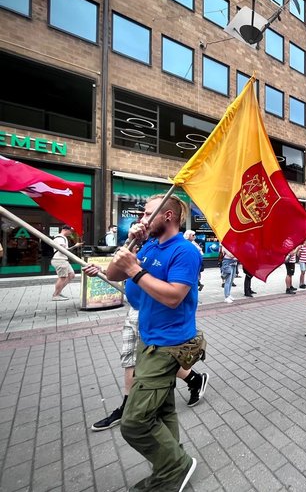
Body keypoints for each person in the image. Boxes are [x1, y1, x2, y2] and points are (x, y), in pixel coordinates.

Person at [103, 193, 201, 491]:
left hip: (169, 344)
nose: (141, 220)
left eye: (147, 214)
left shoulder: (185, 251)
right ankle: (172, 464)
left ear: (167, 216)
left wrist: (136, 269)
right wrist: (131, 245)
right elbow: (111, 273)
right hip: (149, 339)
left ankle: (176, 467)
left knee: (133, 422)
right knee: (162, 410)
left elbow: (173, 297)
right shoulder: (146, 246)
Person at [84, 261, 209, 432]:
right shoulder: (143, 244)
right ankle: (129, 406)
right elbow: (124, 273)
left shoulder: (177, 250)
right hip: (134, 312)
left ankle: (192, 380)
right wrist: (103, 270)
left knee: (155, 359)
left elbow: (172, 293)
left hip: (153, 315)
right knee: (131, 360)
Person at [50, 225, 83, 301]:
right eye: (70, 231)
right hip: (59, 260)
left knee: (71, 275)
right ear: (65, 230)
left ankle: (58, 291)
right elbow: (64, 250)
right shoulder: (59, 238)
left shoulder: (63, 238)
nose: (71, 233)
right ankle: (56, 295)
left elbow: (65, 250)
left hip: (63, 260)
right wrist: (75, 246)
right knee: (62, 278)